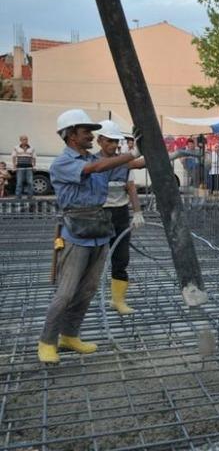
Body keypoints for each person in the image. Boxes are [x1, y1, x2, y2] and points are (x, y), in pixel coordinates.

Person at [37, 109, 140, 364]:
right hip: (76, 233)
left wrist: (144, 149)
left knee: (88, 290)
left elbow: (123, 165)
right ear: (71, 135)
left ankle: (70, 336)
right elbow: (95, 167)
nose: (91, 136)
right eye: (86, 132)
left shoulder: (94, 158)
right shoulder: (64, 162)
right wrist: (131, 153)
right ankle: (47, 341)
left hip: (98, 231)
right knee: (66, 292)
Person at [94, 120, 148, 316]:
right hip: (98, 216)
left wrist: (137, 212)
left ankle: (118, 300)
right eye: (109, 141)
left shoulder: (125, 163)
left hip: (120, 214)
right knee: (93, 260)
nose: (114, 145)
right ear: (99, 140)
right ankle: (85, 298)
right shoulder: (91, 162)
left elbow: (131, 188)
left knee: (121, 258)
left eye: (116, 141)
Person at [11, 134, 36, 199]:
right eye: (24, 139)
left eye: (26, 139)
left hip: (29, 167)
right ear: (21, 140)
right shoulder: (16, 148)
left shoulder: (31, 148)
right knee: (19, 182)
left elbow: (34, 158)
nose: (26, 140)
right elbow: (13, 157)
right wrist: (14, 166)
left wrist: (34, 166)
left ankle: (30, 196)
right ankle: (18, 196)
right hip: (19, 168)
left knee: (30, 182)